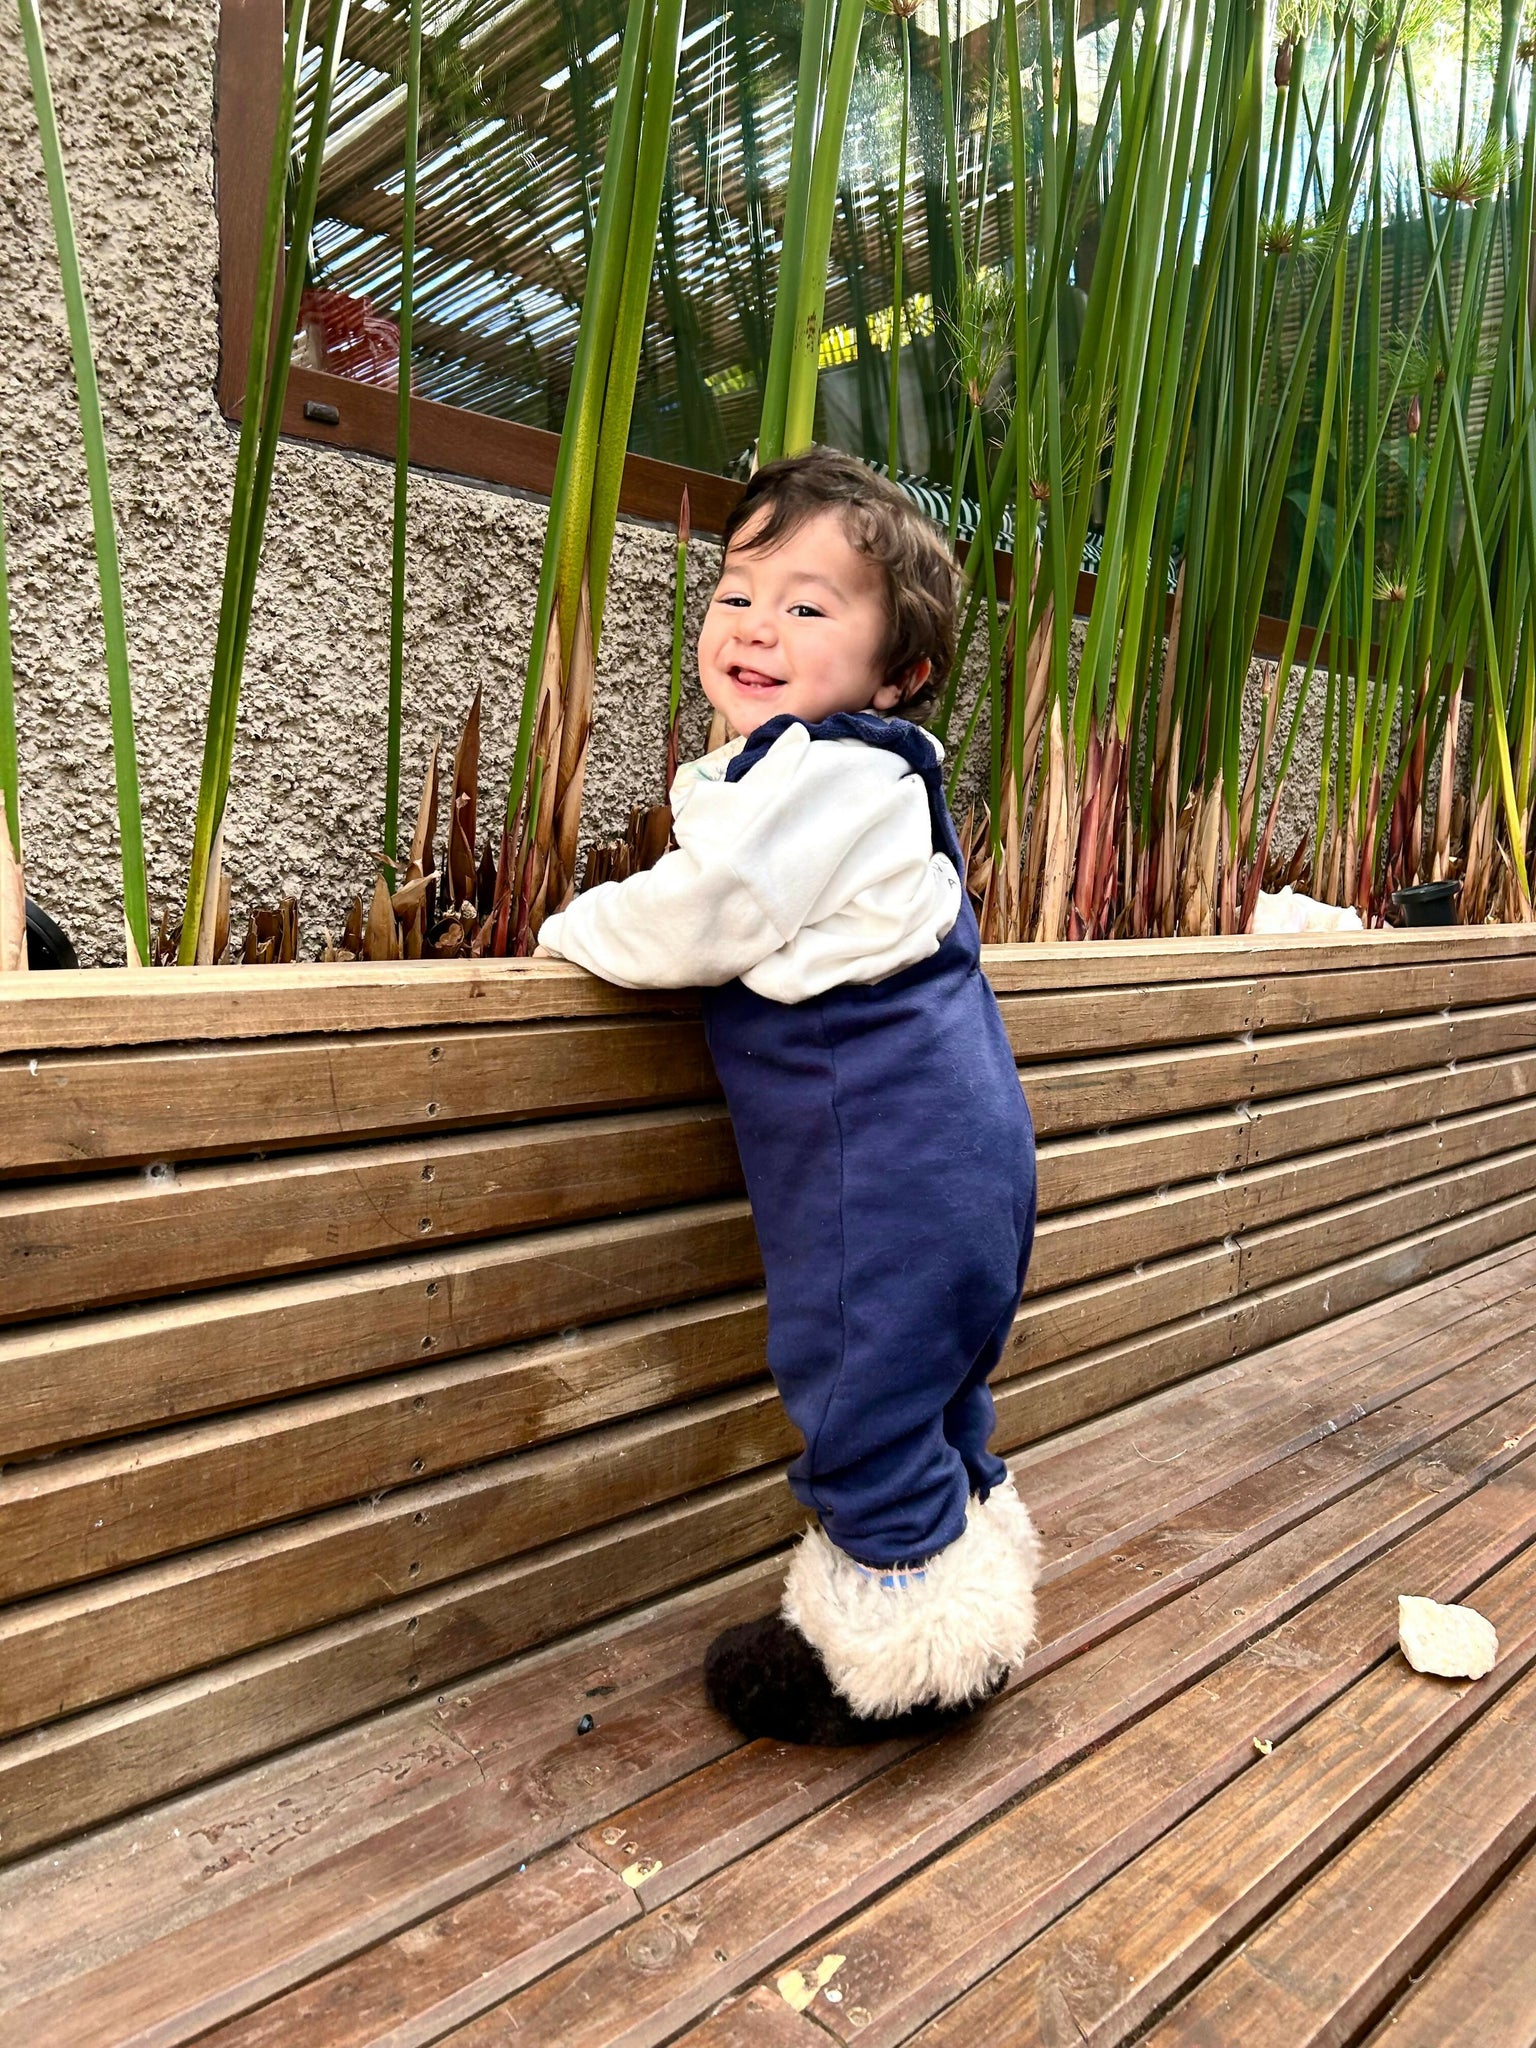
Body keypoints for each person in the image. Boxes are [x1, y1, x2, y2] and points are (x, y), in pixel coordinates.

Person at [537, 448, 1039, 1745]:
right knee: (934, 1386)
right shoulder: (877, 776)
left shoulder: (821, 775)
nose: (755, 626)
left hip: (886, 1165)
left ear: (899, 672)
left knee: (861, 1392)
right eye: (737, 594)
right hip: (961, 1153)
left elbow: (706, 912)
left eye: (808, 607)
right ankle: (967, 1590)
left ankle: (901, 1662)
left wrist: (565, 931)